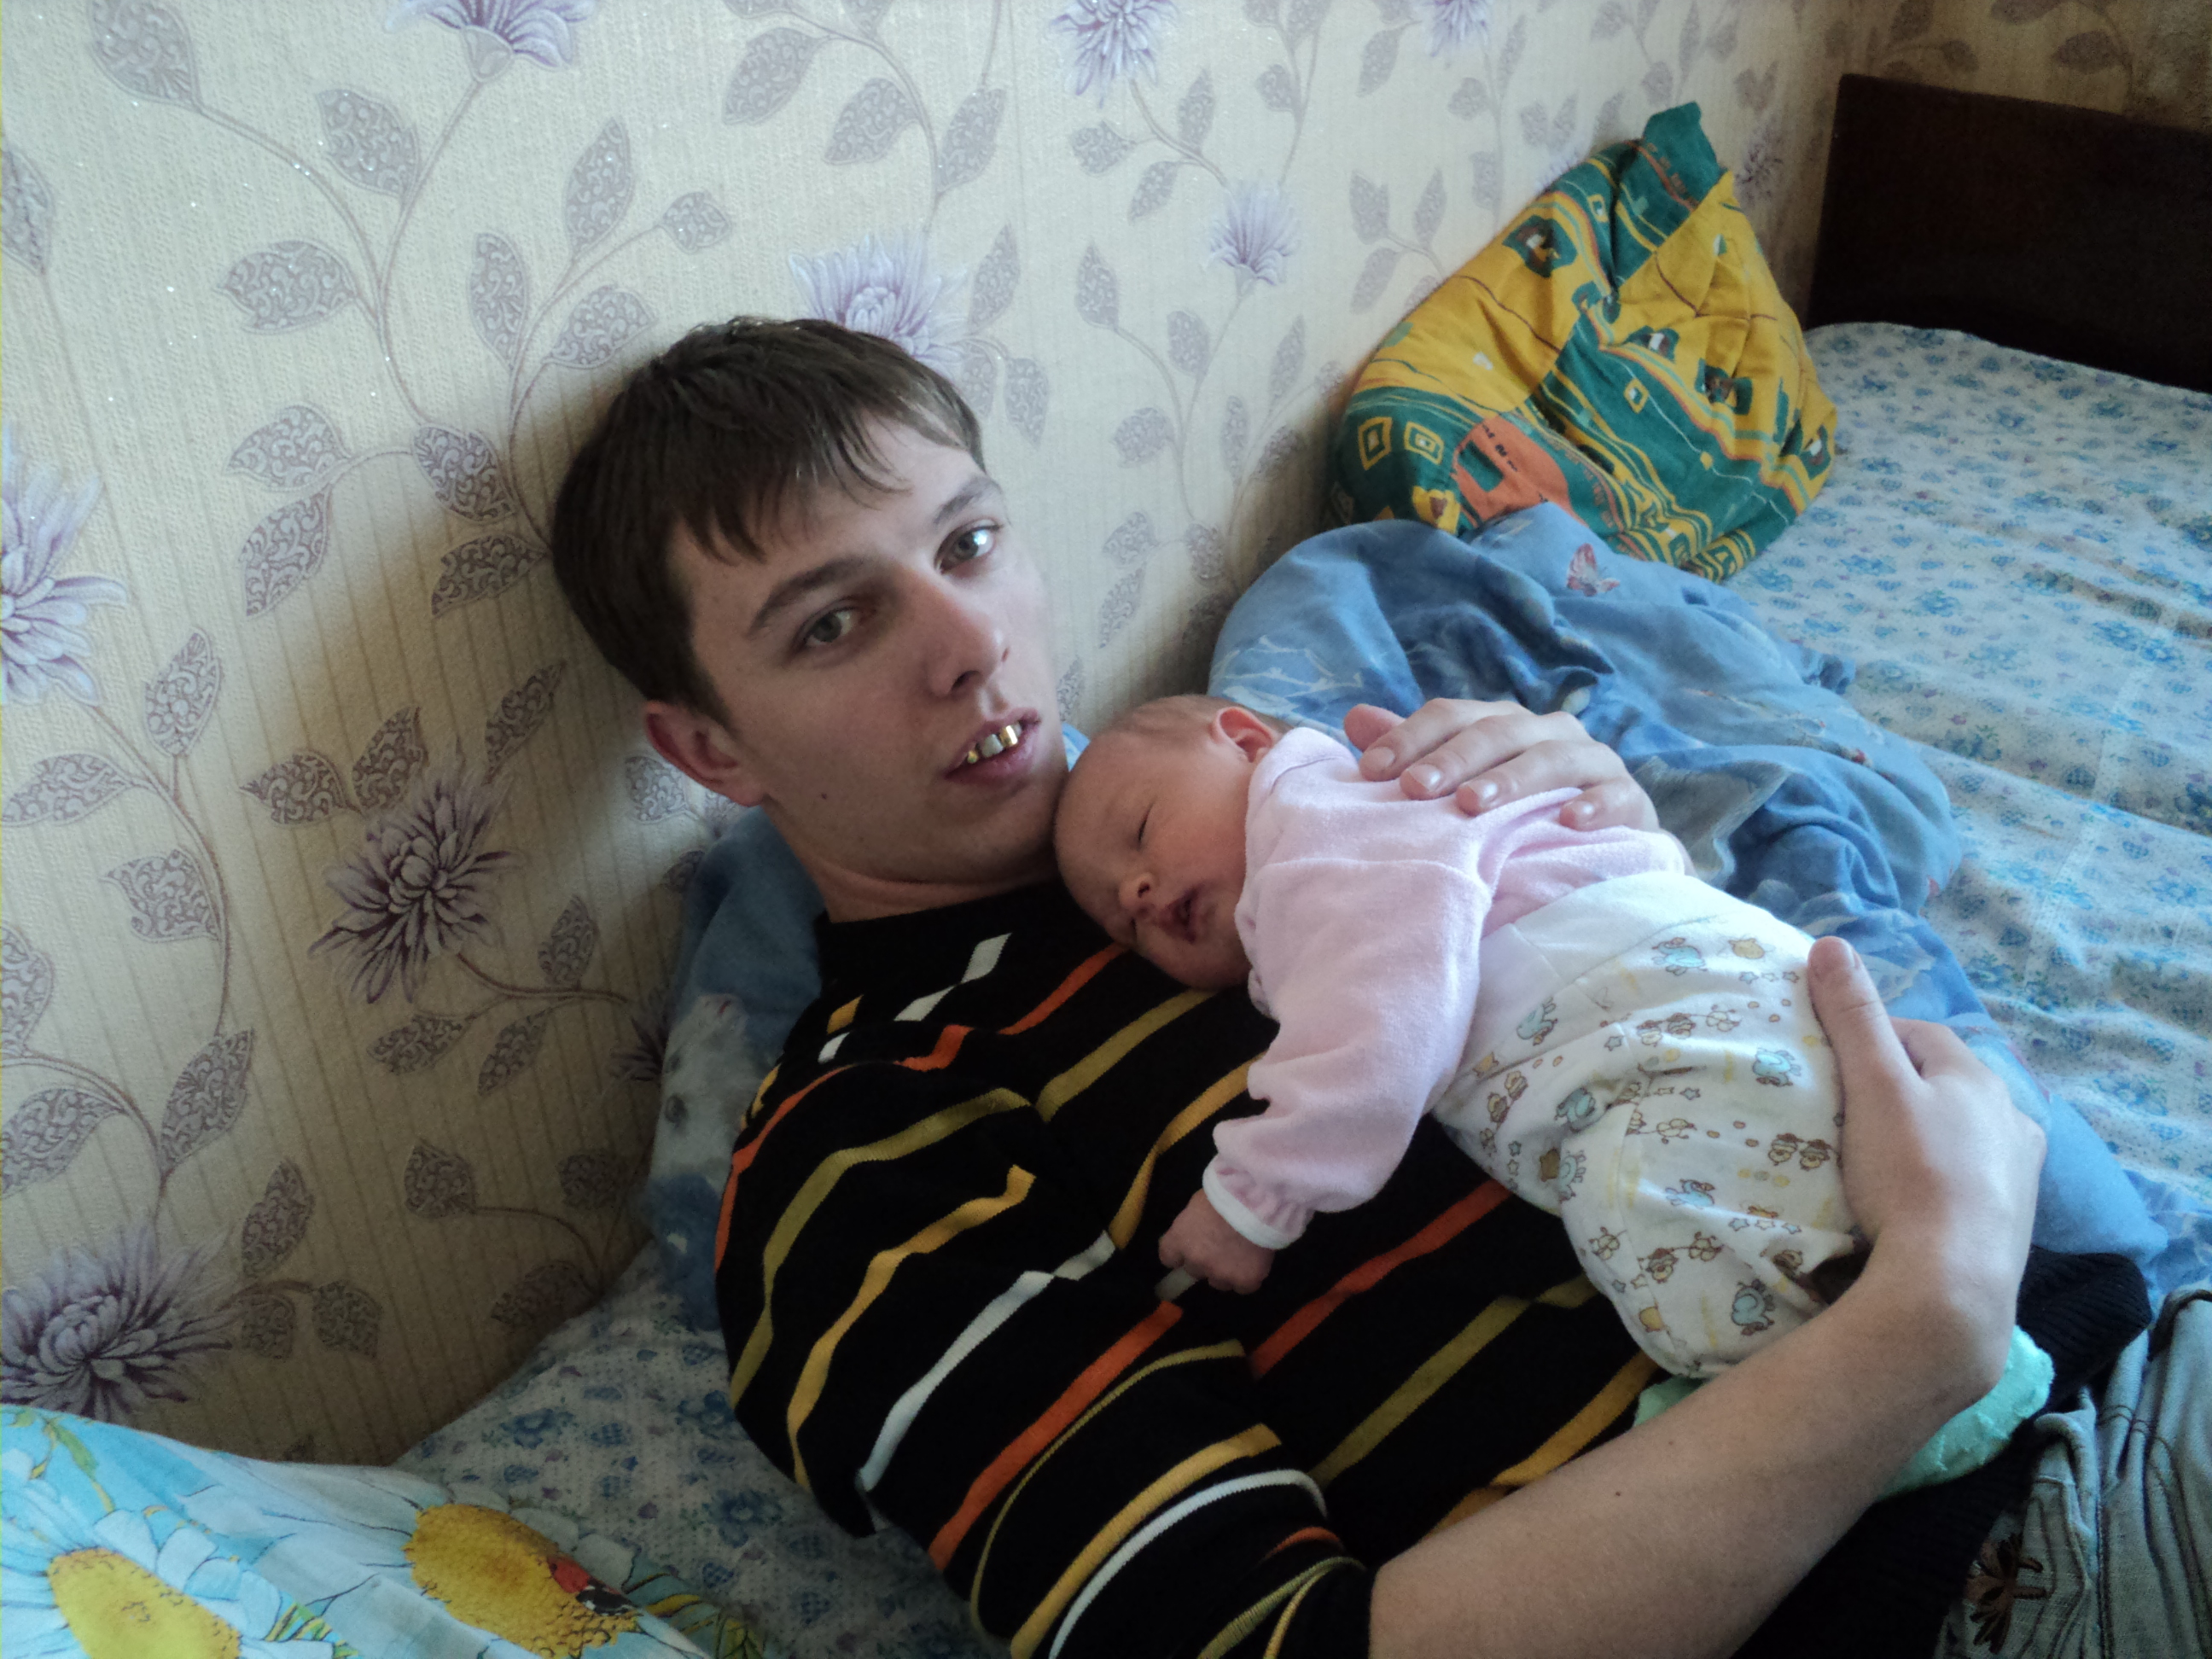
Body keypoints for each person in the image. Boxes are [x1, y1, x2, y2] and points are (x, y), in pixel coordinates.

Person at [546, 317, 2148, 1658]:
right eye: (833, 623)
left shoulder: (1280, 784)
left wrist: (1607, 844)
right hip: (1979, 1561)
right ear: (711, 749)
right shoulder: (865, 1152)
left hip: (2117, 1358)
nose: (970, 643)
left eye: (968, 542)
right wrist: (1925, 1322)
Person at [1053, 693, 2054, 1491]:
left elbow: (1378, 1029)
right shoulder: (1352, 839)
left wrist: (1253, 1197)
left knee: (1656, 1213)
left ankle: (1890, 1410)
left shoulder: (1318, 829)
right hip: (1707, 998)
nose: (1137, 893)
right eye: (1119, 922)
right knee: (1790, 1205)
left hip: (1660, 1017)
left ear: (1244, 739)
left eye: (1141, 830)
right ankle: (1930, 1338)